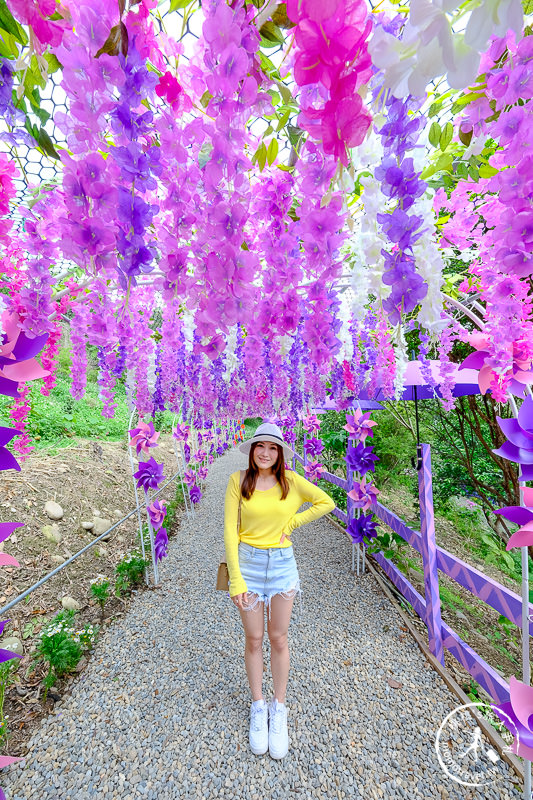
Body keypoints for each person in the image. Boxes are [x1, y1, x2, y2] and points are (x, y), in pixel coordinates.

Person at [223, 421, 335, 759]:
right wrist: (236, 579)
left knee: (279, 638)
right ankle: (258, 706)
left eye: (273, 448)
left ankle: (279, 708)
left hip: (283, 565)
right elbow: (230, 531)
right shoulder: (238, 482)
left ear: (281, 453)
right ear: (252, 449)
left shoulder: (292, 483)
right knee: (254, 638)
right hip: (249, 565)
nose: (266, 453)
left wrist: (293, 522)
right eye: (261, 446)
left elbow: (326, 502)